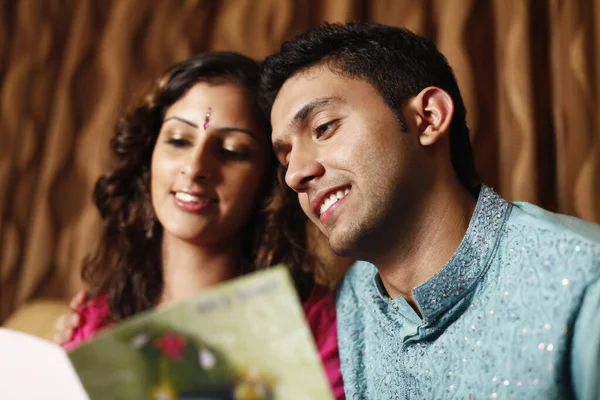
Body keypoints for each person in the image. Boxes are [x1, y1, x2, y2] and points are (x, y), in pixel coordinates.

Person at [260, 22, 600, 399]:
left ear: (429, 118)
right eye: (286, 157)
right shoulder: (350, 303)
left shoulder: (583, 278)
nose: (295, 175)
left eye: (323, 128)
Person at [54, 52, 344, 399]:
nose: (195, 168)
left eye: (232, 150)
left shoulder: (315, 328)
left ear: (269, 184)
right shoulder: (95, 323)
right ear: (148, 159)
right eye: (178, 140)